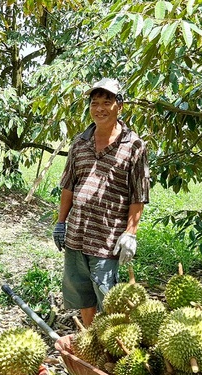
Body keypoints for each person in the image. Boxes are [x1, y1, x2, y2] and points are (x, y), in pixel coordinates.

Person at [53, 78, 150, 326]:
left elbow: (138, 195)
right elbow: (68, 186)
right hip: (77, 233)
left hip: (107, 237)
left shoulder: (134, 146)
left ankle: (112, 345)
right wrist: (61, 223)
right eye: (94, 103)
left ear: (120, 106)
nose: (100, 108)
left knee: (108, 296)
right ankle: (88, 335)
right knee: (81, 291)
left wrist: (131, 233)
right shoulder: (80, 142)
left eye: (107, 102)